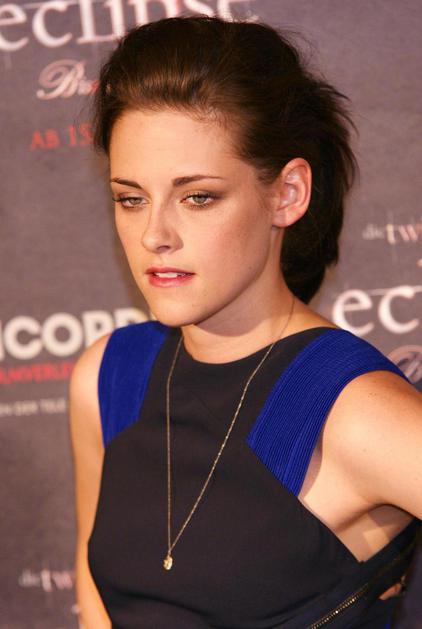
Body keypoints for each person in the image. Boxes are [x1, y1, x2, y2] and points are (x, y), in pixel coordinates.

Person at [68, 14, 422, 629]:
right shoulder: (110, 377)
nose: (154, 235)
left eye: (198, 196)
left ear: (287, 193)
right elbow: (96, 601)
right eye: (131, 198)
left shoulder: (352, 411)